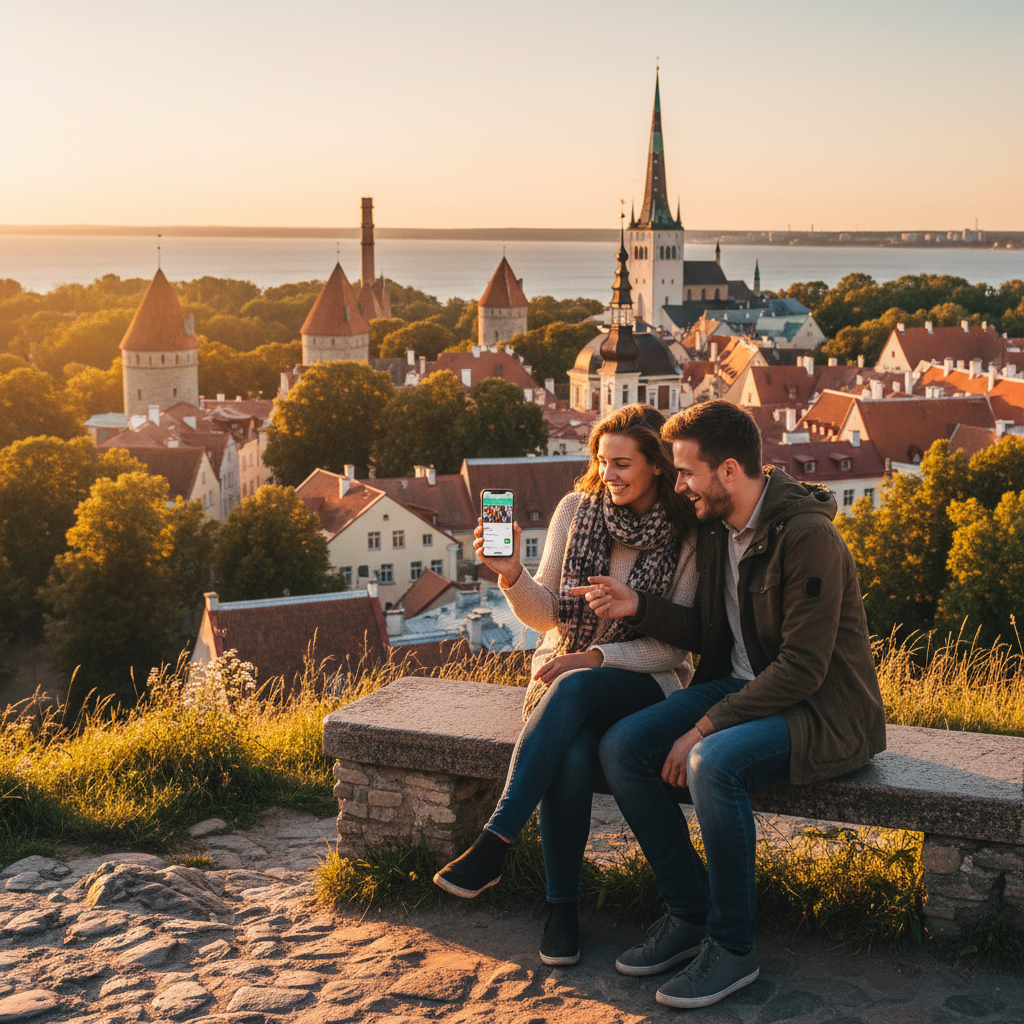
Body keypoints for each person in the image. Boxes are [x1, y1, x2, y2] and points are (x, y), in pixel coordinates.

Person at [574, 400, 886, 1010]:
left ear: (730, 471)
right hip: (742, 688)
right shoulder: (718, 530)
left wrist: (707, 726)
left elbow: (804, 667)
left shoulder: (807, 537)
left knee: (711, 763)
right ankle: (689, 911)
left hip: (821, 711)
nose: (677, 484)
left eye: (686, 472)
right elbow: (710, 633)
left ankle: (733, 946)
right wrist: (638, 605)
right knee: (623, 748)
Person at [433, 403, 699, 967]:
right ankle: (562, 910)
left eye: (624, 463)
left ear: (657, 464)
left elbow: (671, 648)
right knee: (573, 749)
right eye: (603, 462)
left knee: (574, 689)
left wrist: (594, 656)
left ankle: (495, 842)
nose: (610, 475)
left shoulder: (686, 535)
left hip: (647, 683)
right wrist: (510, 574)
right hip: (565, 678)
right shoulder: (576, 510)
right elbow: (548, 613)